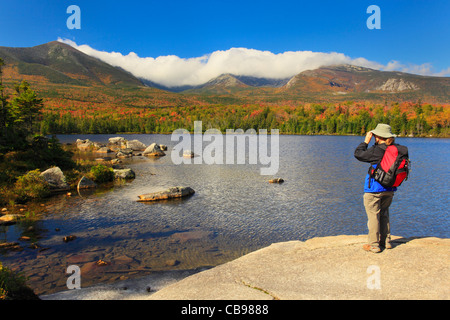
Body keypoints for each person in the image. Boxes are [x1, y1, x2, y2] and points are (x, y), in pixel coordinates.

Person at [354, 123, 398, 253]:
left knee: (373, 215)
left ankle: (373, 244)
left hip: (374, 189)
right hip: (389, 189)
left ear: (378, 136)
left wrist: (365, 141)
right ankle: (386, 242)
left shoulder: (377, 150)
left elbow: (358, 154)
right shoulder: (395, 149)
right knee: (384, 214)